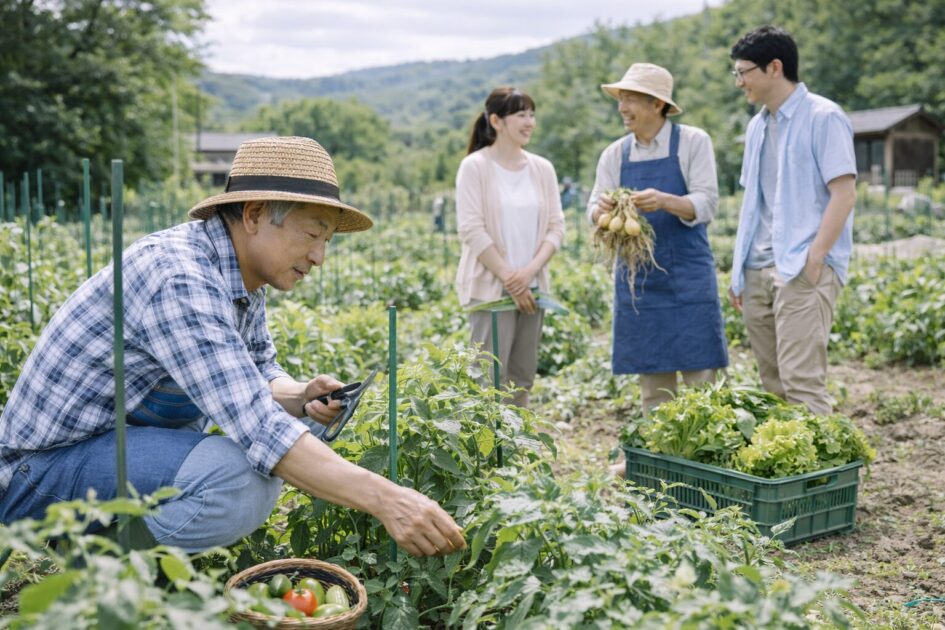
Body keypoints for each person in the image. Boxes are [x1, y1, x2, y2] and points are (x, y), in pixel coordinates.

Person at [0, 136, 466, 557]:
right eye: (312, 233)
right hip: (39, 469)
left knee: (282, 441)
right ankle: (97, 562)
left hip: (112, 444)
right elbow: (260, 428)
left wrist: (300, 396)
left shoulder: (241, 276)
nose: (319, 256)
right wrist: (389, 499)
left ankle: (116, 545)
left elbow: (258, 369)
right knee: (240, 481)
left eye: (326, 240)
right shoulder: (179, 277)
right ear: (254, 215)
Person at [587, 63, 728, 433]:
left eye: (631, 99)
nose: (622, 107)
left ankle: (706, 455)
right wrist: (601, 210)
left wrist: (666, 201)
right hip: (640, 283)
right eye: (621, 99)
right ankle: (662, 456)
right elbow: (592, 207)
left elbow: (707, 203)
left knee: (701, 379)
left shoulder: (693, 141)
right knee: (653, 385)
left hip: (689, 277)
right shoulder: (615, 154)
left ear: (657, 104)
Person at [728, 26, 857, 415]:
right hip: (758, 268)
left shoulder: (824, 117)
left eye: (743, 72)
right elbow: (754, 202)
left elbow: (844, 194)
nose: (738, 82)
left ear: (774, 67)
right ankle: (792, 457)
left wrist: (814, 259)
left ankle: (822, 457)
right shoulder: (756, 127)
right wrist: (739, 269)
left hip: (801, 266)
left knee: (802, 383)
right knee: (773, 386)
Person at [455, 87, 565, 408]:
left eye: (532, 114)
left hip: (532, 288)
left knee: (522, 376)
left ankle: (518, 438)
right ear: (496, 121)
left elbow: (556, 227)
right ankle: (487, 441)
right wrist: (509, 278)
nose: (530, 122)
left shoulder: (542, 168)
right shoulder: (475, 166)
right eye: (521, 115)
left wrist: (528, 274)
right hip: (490, 290)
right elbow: (471, 229)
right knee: (486, 379)